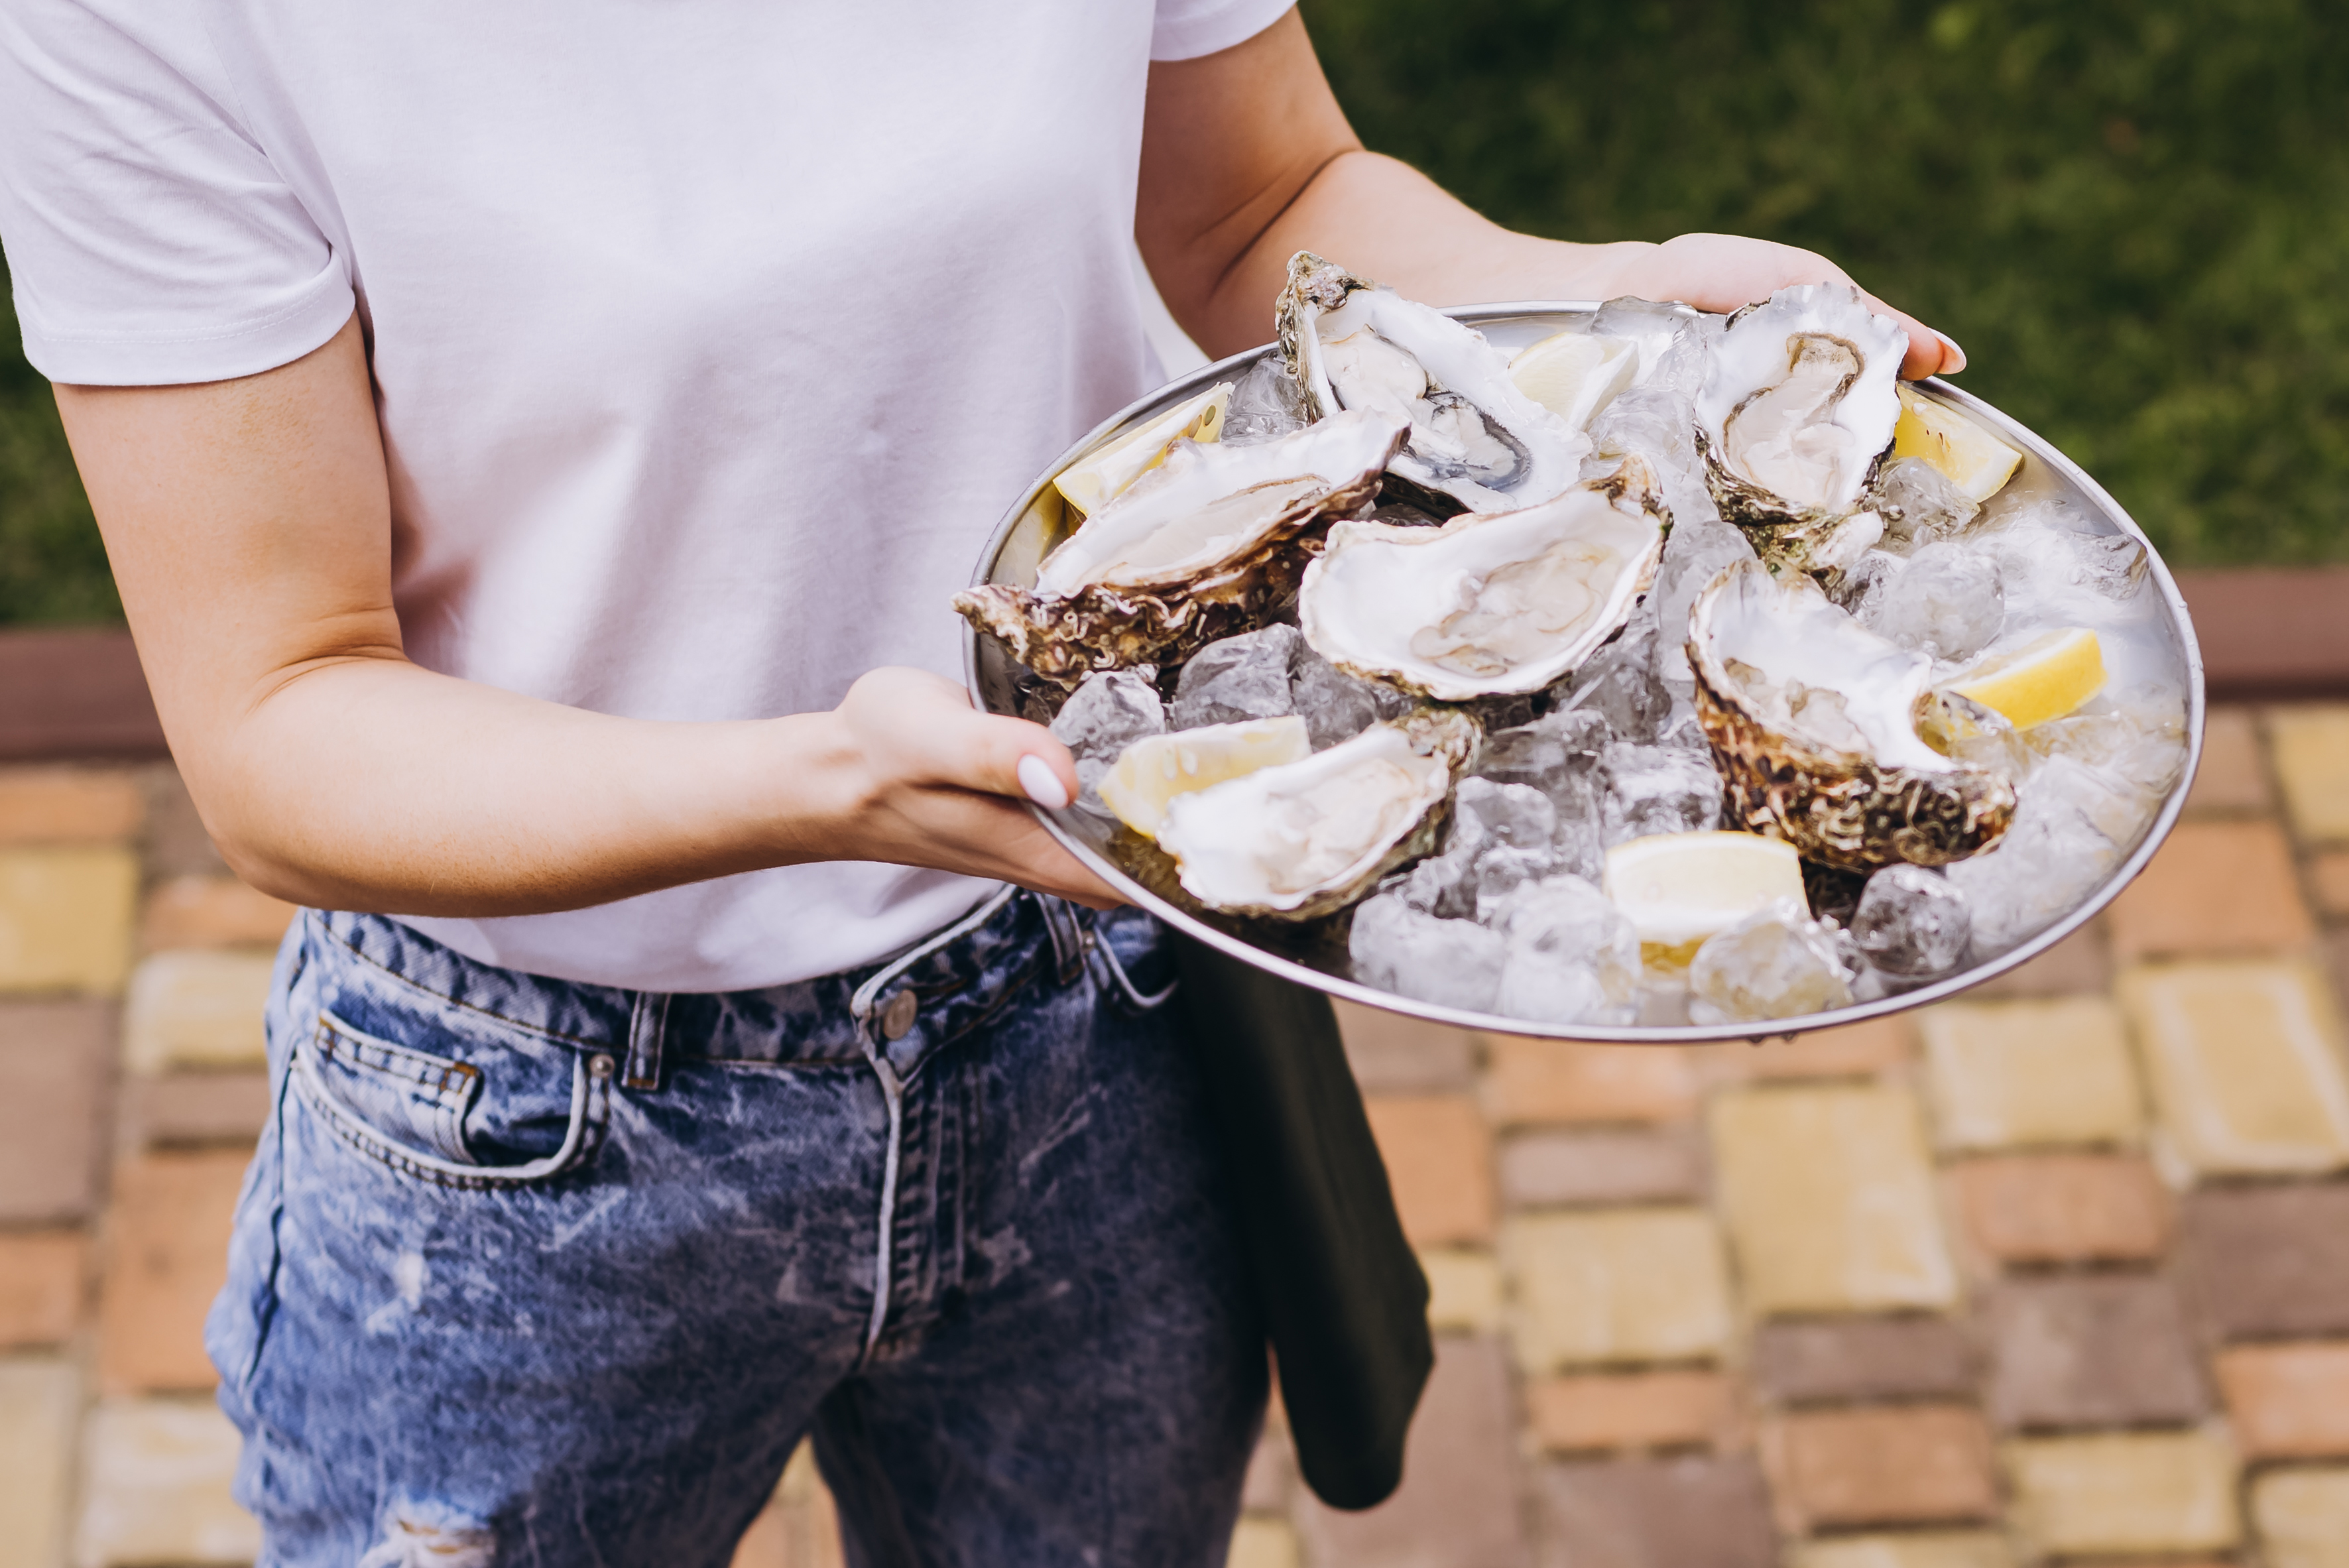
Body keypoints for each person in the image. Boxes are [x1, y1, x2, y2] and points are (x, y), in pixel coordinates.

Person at [0, 3, 1962, 1562]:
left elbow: (1253, 205)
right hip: (537, 1135)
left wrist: (1614, 311)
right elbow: (279, 716)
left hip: (1093, 1016)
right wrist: (820, 783)